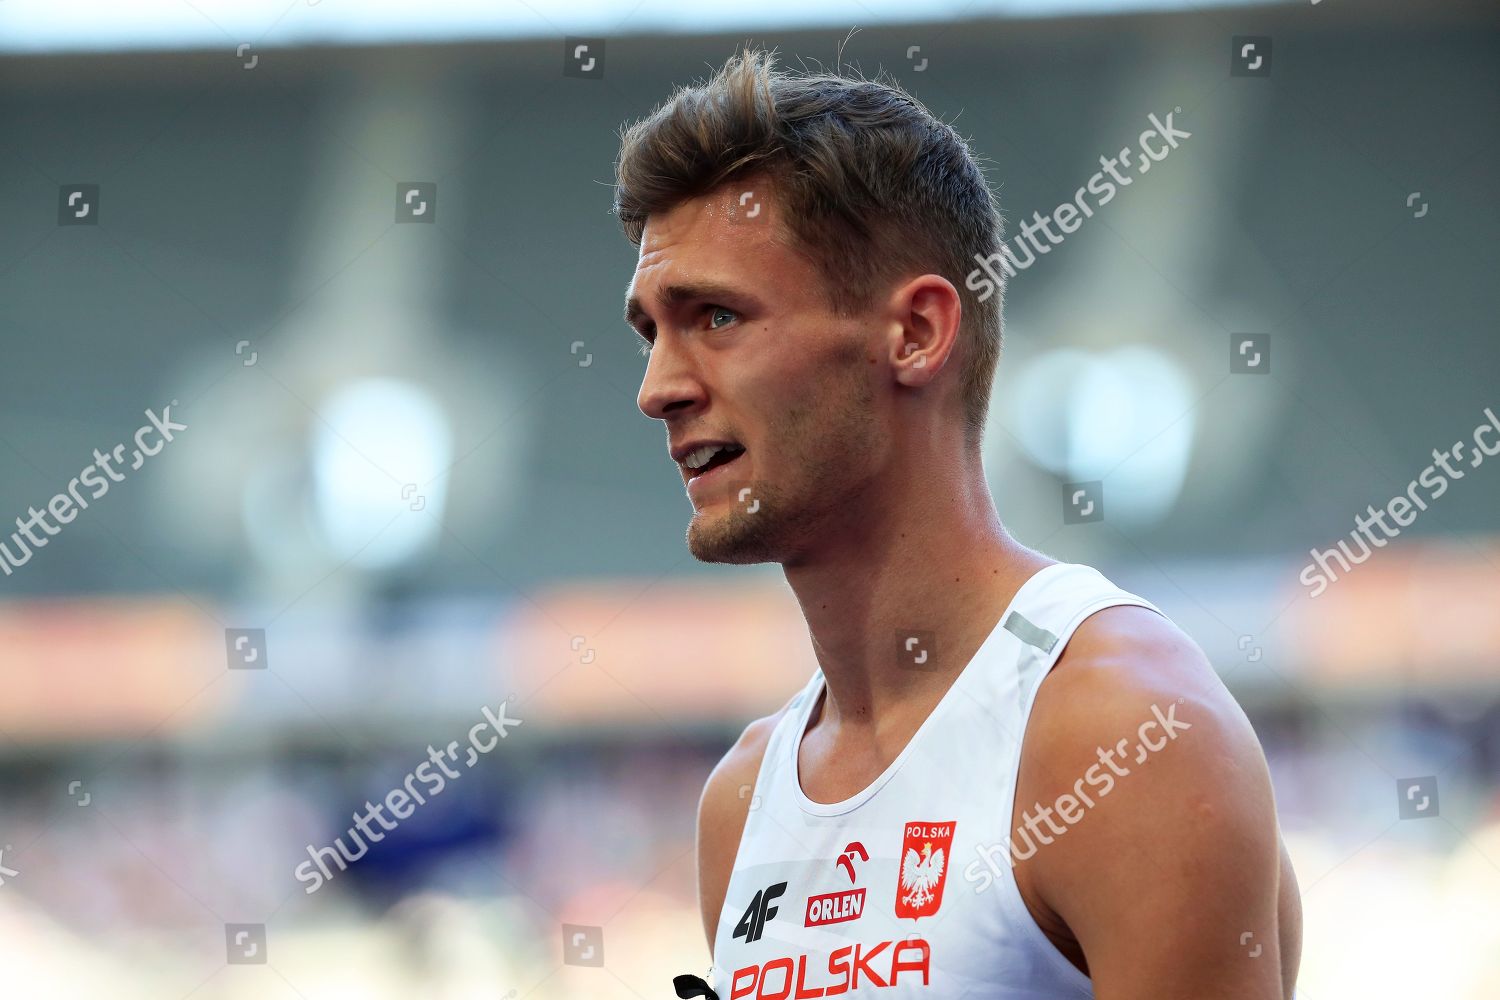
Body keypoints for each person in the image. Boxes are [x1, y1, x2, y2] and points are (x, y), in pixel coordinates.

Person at [615, 48, 1301, 999]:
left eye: (717, 317)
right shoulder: (742, 800)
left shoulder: (1122, 730)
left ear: (917, 333)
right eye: (652, 331)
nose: (658, 389)